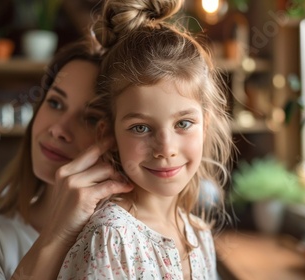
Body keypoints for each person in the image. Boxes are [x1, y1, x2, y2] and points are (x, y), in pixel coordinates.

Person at [56, 0, 234, 278]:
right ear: (109, 134)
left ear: (205, 125)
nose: (165, 149)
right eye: (141, 128)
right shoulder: (112, 236)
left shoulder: (199, 233)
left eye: (183, 123)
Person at [0, 38, 133, 279]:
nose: (59, 129)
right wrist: (57, 235)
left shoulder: (133, 238)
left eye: (91, 118)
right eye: (55, 102)